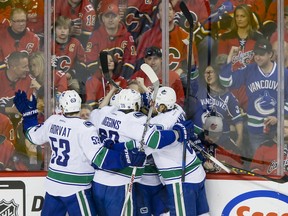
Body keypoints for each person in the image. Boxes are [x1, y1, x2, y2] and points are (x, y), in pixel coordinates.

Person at [13, 89, 146, 216]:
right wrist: (127, 158)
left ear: (62, 107)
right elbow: (100, 158)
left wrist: (28, 115)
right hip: (76, 187)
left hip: (53, 184)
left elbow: (33, 136)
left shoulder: (52, 121)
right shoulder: (84, 128)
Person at [89, 88, 193, 215]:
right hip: (120, 182)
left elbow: (97, 111)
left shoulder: (104, 113)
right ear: (137, 105)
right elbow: (155, 140)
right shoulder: (134, 120)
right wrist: (178, 133)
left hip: (98, 180)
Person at [145, 86, 210, 216]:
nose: (152, 105)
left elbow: (149, 143)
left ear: (162, 106)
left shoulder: (158, 122)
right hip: (196, 173)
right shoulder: (178, 109)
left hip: (181, 179)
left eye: (156, 103)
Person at [219, 38, 288, 158]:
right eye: (256, 54)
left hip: (278, 129)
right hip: (255, 130)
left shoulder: (284, 73)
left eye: (261, 54)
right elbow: (225, 82)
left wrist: (278, 118)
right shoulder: (249, 70)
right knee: (260, 163)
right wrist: (230, 59)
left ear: (270, 54)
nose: (257, 57)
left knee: (277, 163)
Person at [217, 4, 264, 111]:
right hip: (230, 80)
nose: (239, 19)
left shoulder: (258, 37)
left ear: (249, 18)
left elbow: (263, 63)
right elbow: (221, 64)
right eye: (237, 16)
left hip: (251, 81)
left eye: (243, 16)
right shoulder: (225, 37)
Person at [136, 0, 198, 76]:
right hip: (153, 78)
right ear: (158, 15)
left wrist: (180, 71)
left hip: (178, 78)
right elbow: (140, 63)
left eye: (169, 9)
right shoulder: (147, 37)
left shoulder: (185, 36)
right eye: (163, 10)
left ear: (174, 13)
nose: (167, 12)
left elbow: (192, 65)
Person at [190, 63, 243, 149]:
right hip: (200, 140)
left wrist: (240, 138)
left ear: (218, 74)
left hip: (220, 141)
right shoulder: (199, 90)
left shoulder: (228, 96)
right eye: (206, 73)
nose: (208, 75)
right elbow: (192, 71)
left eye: (211, 72)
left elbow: (237, 119)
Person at [86, 3, 137, 79]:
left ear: (119, 18)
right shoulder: (95, 36)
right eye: (107, 16)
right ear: (102, 18)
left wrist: (121, 79)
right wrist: (103, 79)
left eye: (114, 16)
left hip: (122, 79)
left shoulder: (127, 36)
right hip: (100, 80)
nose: (110, 19)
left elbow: (130, 62)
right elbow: (90, 62)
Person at [51, 16, 86, 94]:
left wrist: (71, 74)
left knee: (77, 89)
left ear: (69, 30)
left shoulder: (75, 43)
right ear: (55, 30)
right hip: (53, 78)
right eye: (59, 28)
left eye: (65, 28)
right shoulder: (50, 44)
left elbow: (83, 62)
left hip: (70, 78)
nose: (62, 31)